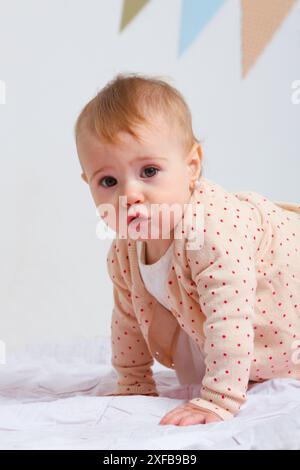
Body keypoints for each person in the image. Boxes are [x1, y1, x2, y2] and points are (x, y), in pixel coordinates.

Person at [74, 72, 300, 426]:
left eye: (149, 170)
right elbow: (128, 320)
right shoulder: (124, 252)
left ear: (191, 166)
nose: (129, 194)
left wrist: (218, 401)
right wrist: (134, 382)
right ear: (88, 183)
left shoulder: (212, 232)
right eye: (108, 181)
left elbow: (230, 320)